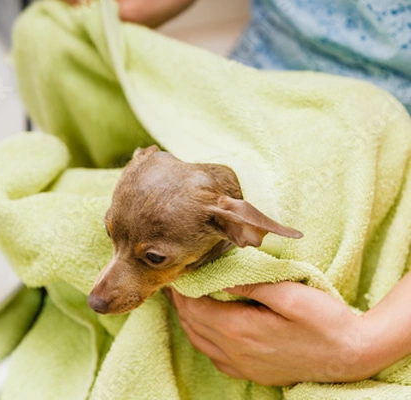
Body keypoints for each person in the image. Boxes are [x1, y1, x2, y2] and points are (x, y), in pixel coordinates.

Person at [63, 0, 411, 386]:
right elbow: (122, 10)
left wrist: (360, 346)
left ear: (242, 229)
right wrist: (98, 22)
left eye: (153, 257)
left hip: (373, 142)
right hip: (243, 97)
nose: (101, 295)